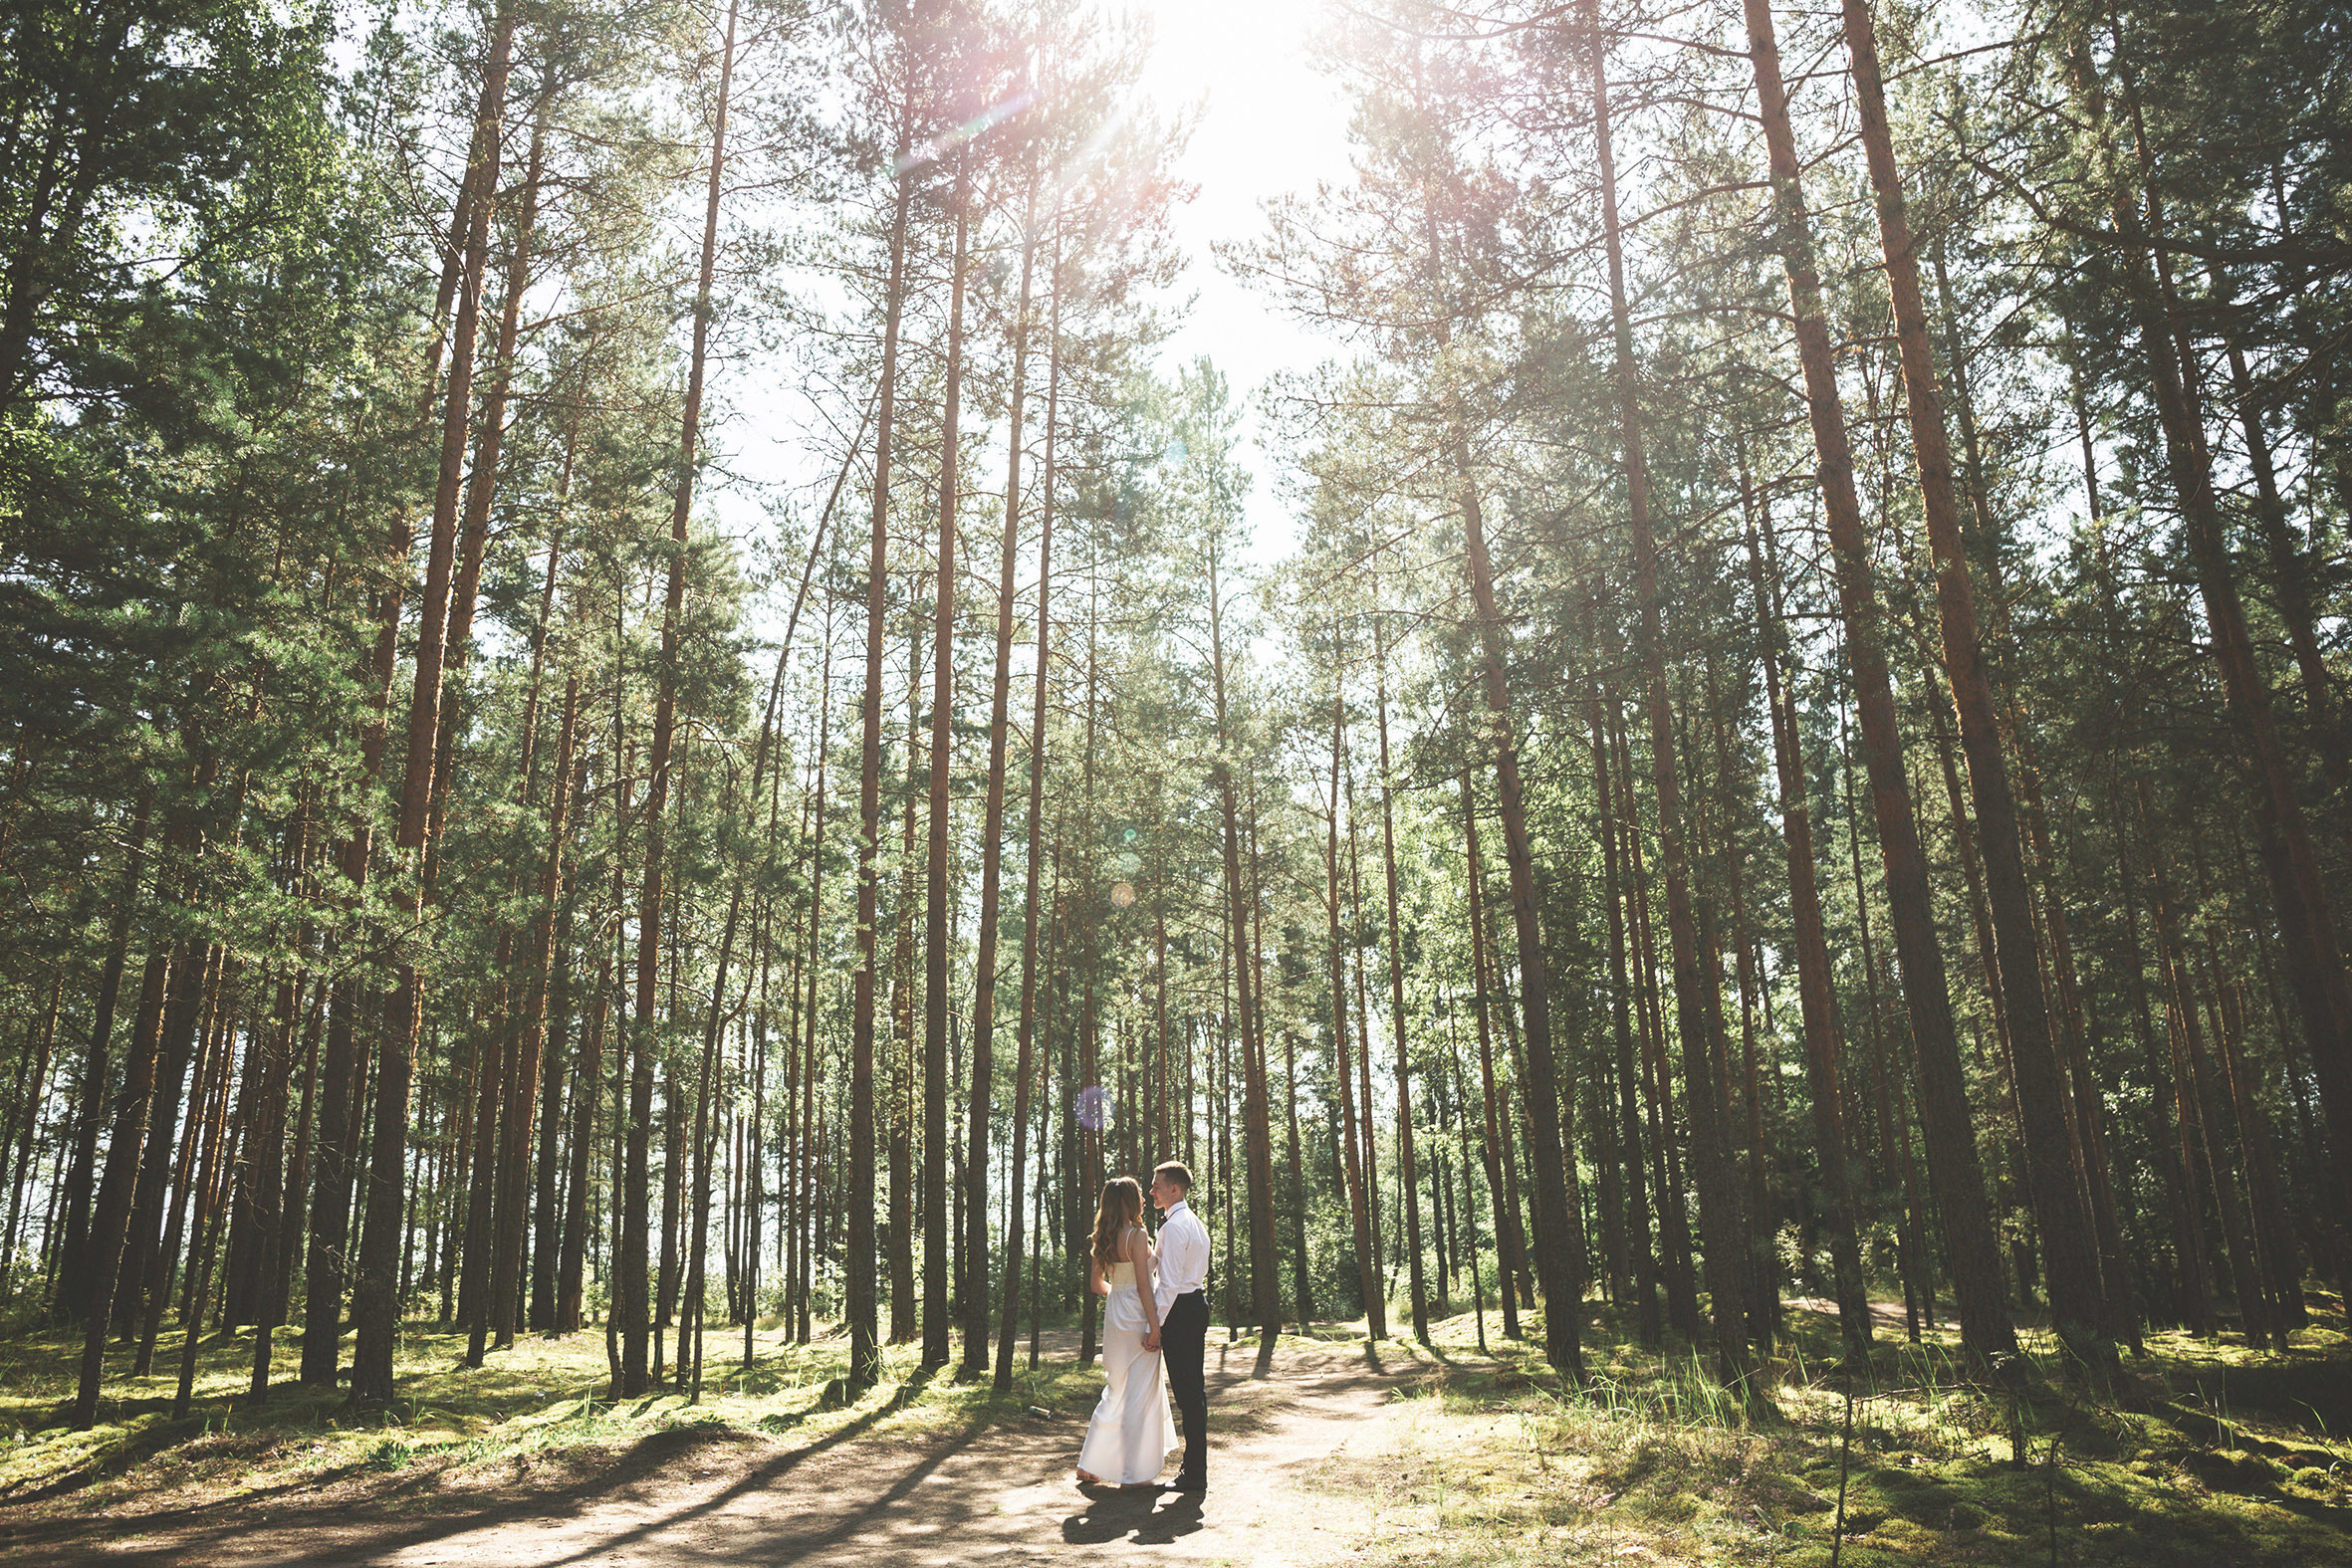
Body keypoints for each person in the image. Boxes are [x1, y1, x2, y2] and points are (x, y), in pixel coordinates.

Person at [1074, 1177, 1178, 1488]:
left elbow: (1096, 1285)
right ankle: (1132, 1475)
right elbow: (1145, 1286)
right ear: (1128, 1201)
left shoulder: (1102, 1236)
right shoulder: (1137, 1234)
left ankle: (1089, 1464)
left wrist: (1119, 1293)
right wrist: (1154, 1328)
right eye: (1140, 1195)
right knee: (1139, 1394)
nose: (1145, 1199)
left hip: (1115, 1314)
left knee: (1116, 1389)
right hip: (1137, 1314)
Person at [1146, 1160, 1209, 1493]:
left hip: (1181, 1311)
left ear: (1174, 1189)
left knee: (1188, 1394)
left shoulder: (1172, 1228)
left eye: (1157, 1186)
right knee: (1194, 1392)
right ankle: (1196, 1468)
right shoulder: (1194, 1222)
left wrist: (1156, 1325)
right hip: (1195, 1304)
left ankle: (1194, 1473)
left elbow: (1168, 1284)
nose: (1151, 1191)